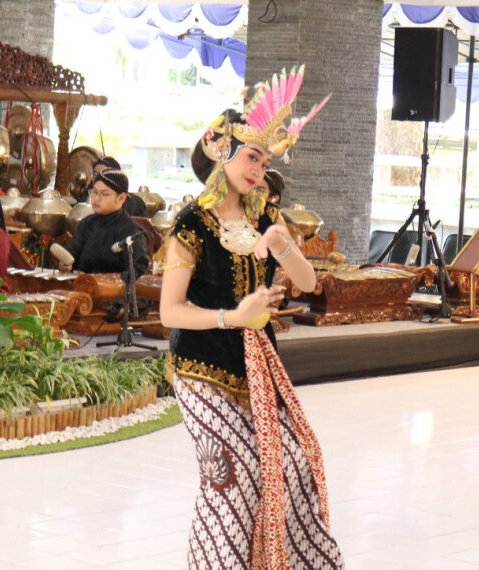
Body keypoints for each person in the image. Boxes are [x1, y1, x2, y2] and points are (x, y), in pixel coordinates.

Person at [159, 66, 342, 568]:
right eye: (252, 155)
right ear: (221, 150)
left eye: (266, 159)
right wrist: (232, 317)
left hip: (258, 367)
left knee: (295, 466)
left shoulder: (266, 218)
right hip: (200, 369)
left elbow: (308, 284)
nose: (259, 167)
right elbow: (168, 312)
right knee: (232, 481)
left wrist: (285, 248)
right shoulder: (191, 223)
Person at [60, 169, 149, 279]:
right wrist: (66, 265)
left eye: (104, 194)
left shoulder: (131, 231)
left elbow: (137, 273)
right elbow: (72, 256)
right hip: (82, 289)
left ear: (122, 198)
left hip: (113, 294)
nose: (96, 198)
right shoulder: (87, 224)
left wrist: (97, 279)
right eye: (94, 192)